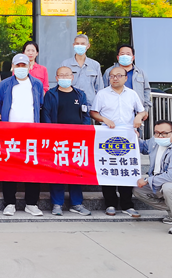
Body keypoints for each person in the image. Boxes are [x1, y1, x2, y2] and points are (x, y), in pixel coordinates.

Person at [90, 66, 147, 218]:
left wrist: (138, 117)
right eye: (112, 76)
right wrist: (104, 119)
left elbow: (142, 111)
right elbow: (93, 112)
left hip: (127, 137)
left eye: (119, 75)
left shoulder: (132, 94)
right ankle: (110, 203)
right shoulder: (102, 94)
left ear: (126, 78)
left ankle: (127, 204)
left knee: (126, 168)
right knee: (108, 168)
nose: (115, 78)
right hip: (107, 136)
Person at [0, 53, 45, 217]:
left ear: (30, 66)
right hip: (10, 132)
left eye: (24, 65)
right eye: (18, 65)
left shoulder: (37, 84)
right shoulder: (5, 84)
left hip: (32, 132)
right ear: (13, 67)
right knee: (9, 167)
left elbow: (40, 104)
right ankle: (9, 203)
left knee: (32, 166)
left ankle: (31, 203)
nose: (21, 68)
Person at [41, 66, 92, 217]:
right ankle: (57, 203)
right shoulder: (51, 94)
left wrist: (84, 131)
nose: (64, 77)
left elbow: (85, 115)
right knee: (57, 171)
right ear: (56, 78)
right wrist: (51, 134)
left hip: (77, 140)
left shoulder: (80, 94)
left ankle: (76, 203)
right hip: (58, 140)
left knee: (76, 171)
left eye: (67, 75)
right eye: (61, 75)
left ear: (72, 77)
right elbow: (46, 115)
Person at [102, 44, 152, 118]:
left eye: (128, 54)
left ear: (133, 57)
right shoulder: (109, 72)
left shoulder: (140, 73)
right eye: (122, 54)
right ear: (118, 57)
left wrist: (145, 109)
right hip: (114, 112)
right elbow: (103, 89)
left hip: (136, 112)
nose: (125, 56)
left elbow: (146, 91)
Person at [60, 34, 103, 109]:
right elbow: (61, 86)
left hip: (90, 106)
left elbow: (99, 88)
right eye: (77, 43)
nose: (80, 46)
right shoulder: (65, 64)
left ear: (88, 46)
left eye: (83, 44)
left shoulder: (95, 65)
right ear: (73, 45)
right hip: (70, 104)